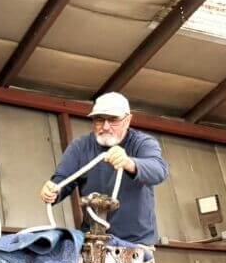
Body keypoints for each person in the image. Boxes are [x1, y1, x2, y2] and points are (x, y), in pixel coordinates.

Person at [39, 92, 167, 246]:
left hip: (136, 245)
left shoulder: (142, 143)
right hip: (92, 241)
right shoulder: (80, 147)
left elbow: (159, 170)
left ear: (128, 120)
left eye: (113, 120)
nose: (105, 127)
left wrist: (129, 163)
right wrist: (52, 191)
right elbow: (62, 180)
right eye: (99, 119)